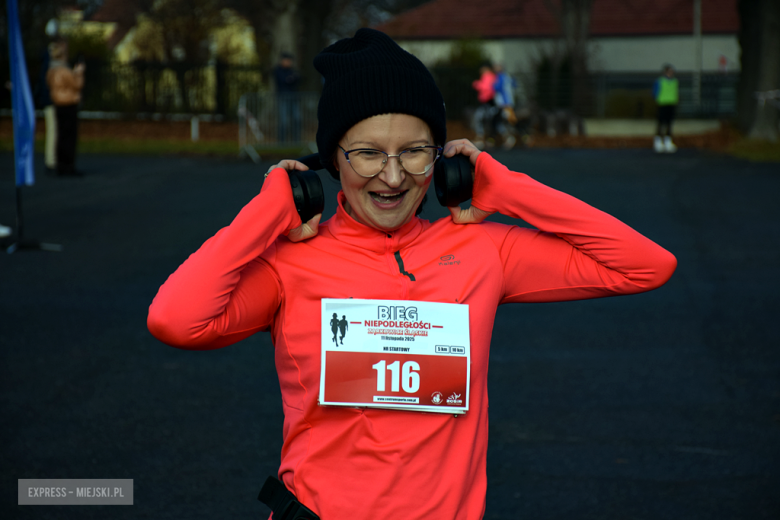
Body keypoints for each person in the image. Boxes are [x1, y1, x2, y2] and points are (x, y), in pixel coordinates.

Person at [148, 28, 677, 519]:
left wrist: (507, 188)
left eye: (416, 152)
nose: (395, 176)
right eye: (369, 154)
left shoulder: (479, 252)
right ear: (333, 159)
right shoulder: (291, 263)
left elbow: (647, 265)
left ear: (443, 159)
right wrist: (265, 214)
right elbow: (176, 320)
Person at [46, 40, 85, 176]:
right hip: (68, 104)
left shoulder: (51, 70)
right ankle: (68, 166)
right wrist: (79, 73)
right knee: (69, 137)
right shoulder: (63, 70)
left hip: (58, 104)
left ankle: (61, 164)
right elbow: (77, 85)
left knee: (61, 135)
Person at [273, 52, 302, 143]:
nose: (289, 63)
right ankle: (282, 141)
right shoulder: (278, 71)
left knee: (297, 118)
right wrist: (291, 79)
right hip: (283, 98)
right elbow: (284, 80)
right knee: (283, 120)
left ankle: (296, 140)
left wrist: (291, 79)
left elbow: (297, 79)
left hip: (293, 97)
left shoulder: (292, 71)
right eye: (287, 60)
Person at [653, 64, 679, 153]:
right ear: (665, 72)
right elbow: (655, 92)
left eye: (672, 71)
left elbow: (675, 92)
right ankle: (658, 142)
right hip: (662, 104)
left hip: (671, 104)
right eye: (669, 71)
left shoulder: (675, 81)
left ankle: (668, 142)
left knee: (669, 124)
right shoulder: (660, 81)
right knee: (661, 123)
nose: (671, 73)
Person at [471, 62, 496, 149]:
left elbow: (487, 88)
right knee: (485, 120)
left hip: (488, 103)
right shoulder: (489, 76)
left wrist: (477, 84)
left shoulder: (488, 76)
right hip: (487, 103)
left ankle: (483, 139)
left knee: (480, 119)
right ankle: (484, 139)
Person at [492, 63, 518, 149]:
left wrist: (491, 84)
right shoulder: (508, 76)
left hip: (504, 104)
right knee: (505, 121)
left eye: (496, 67)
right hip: (508, 103)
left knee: (507, 121)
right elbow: (515, 85)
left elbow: (497, 88)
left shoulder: (500, 77)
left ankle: (511, 138)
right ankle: (510, 138)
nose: (494, 68)